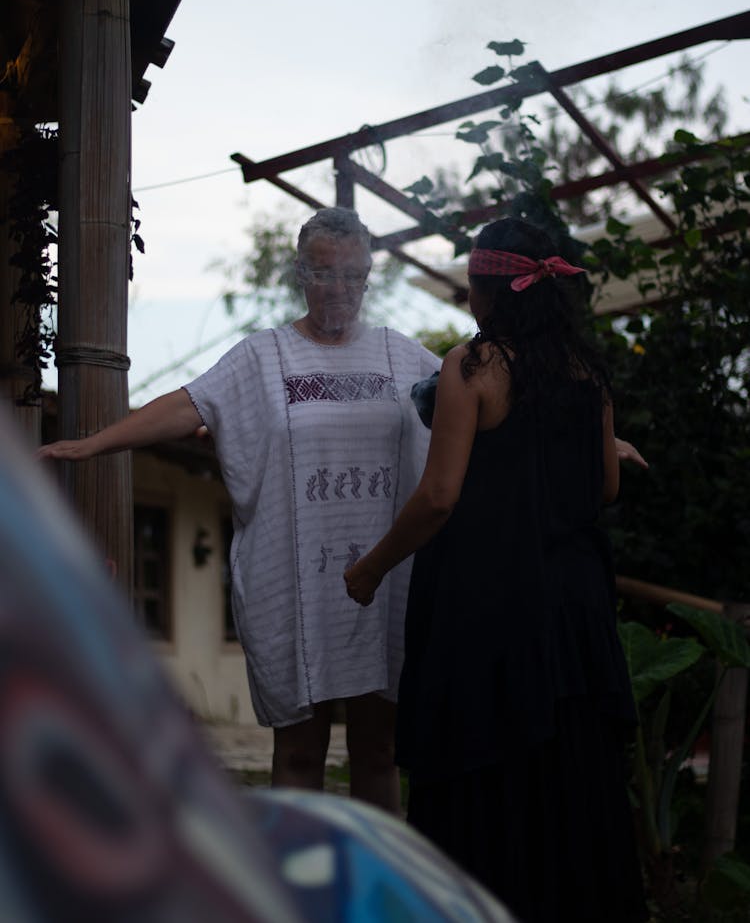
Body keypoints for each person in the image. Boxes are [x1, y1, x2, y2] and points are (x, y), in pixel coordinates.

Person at [38, 207, 438, 814]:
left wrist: (591, 435)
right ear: (301, 274)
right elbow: (188, 404)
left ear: (368, 277)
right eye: (325, 274)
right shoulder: (262, 358)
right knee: (300, 753)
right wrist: (94, 443)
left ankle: (370, 901)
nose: (339, 289)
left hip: (385, 582)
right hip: (297, 583)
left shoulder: (404, 359)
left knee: (378, 753)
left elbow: (478, 406)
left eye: (353, 277)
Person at [344, 217, 648, 922]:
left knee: (487, 771)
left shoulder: (472, 366)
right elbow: (606, 488)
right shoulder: (588, 373)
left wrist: (371, 569)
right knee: (572, 782)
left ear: (487, 288)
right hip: (575, 612)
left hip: (490, 606)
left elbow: (439, 494)